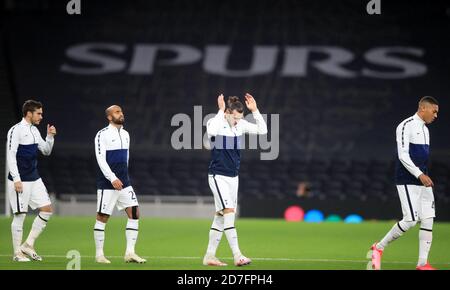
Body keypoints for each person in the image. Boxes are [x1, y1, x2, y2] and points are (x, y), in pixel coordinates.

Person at [367, 96, 439, 270]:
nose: (436, 115)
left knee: (428, 219)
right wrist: (419, 174)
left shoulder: (426, 130)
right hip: (408, 179)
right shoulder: (405, 125)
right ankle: (379, 247)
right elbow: (403, 155)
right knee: (410, 220)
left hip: (423, 179)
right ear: (423, 108)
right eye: (434, 111)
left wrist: (424, 176)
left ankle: (422, 264)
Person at [203, 93, 268, 267]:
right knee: (229, 212)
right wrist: (220, 110)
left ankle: (209, 256)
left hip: (234, 178)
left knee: (220, 216)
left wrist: (255, 111)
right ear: (228, 113)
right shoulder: (216, 123)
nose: (238, 121)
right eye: (235, 118)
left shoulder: (240, 125)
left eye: (240, 118)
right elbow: (210, 131)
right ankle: (237, 255)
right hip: (218, 176)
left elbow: (263, 131)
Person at [93, 105, 146, 264]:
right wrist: (112, 178)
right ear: (109, 117)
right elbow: (100, 159)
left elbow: (126, 157)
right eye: (117, 112)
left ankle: (130, 253)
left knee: (135, 212)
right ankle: (99, 255)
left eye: (121, 111)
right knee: (103, 217)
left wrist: (123, 177)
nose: (121, 114)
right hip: (108, 182)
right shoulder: (102, 135)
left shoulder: (126, 134)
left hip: (124, 182)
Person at [7, 100, 56, 262]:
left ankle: (28, 244)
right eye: (39, 113)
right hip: (20, 180)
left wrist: (50, 136)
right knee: (20, 215)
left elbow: (46, 151)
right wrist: (16, 179)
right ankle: (16, 253)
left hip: (34, 178)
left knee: (47, 209)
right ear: (29, 113)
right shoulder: (16, 130)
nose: (41, 116)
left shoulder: (34, 131)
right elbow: (11, 155)